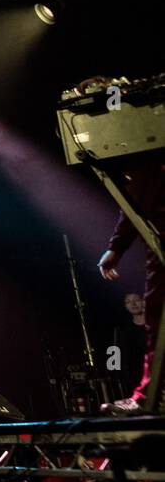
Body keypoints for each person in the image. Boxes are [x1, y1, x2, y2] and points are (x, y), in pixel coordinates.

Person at [96, 154, 164, 414]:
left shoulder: (144, 164)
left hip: (160, 240)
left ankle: (150, 397)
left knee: (158, 319)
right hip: (156, 239)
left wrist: (116, 247)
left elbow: (138, 200)